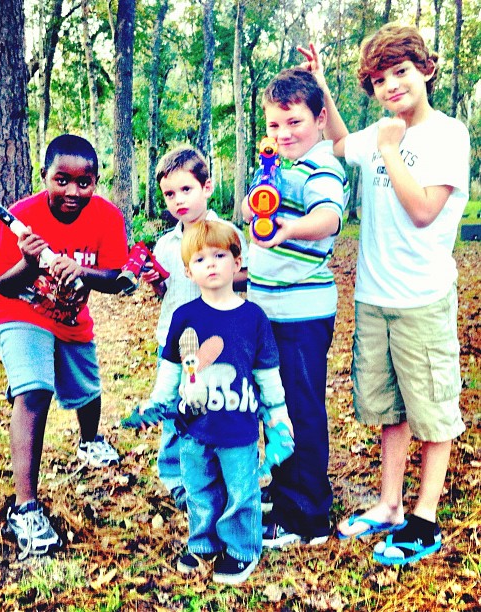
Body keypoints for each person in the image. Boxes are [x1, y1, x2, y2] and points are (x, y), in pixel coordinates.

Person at [299, 23, 470, 565]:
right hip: (373, 297)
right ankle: (391, 504)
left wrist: (392, 147)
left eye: (400, 72)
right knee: (389, 408)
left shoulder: (447, 134)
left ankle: (424, 519)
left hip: (422, 299)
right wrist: (322, 87)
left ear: (425, 69)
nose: (391, 86)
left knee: (432, 411)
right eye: (378, 79)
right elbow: (342, 143)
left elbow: (423, 211)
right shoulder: (377, 132)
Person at [0, 134, 129, 559]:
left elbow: (119, 278)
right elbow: (3, 285)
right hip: (21, 313)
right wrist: (30, 263)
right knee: (34, 389)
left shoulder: (106, 217)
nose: (72, 191)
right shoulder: (20, 217)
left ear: (96, 181)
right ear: (45, 177)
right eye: (61, 180)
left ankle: (89, 440)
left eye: (83, 183)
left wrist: (84, 275)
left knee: (87, 389)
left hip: (71, 318)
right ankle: (25, 508)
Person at [143, 220, 293, 584]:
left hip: (238, 428)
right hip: (194, 428)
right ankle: (204, 543)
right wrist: (158, 402)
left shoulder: (252, 317)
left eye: (219, 255)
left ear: (237, 262)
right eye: (200, 259)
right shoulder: (184, 317)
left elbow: (267, 371)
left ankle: (242, 549)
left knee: (242, 491)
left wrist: (277, 415)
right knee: (200, 488)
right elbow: (170, 368)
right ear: (187, 271)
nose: (210, 264)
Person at [242, 68, 350, 548]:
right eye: (274, 125)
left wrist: (287, 228)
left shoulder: (322, 165)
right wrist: (253, 207)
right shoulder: (278, 166)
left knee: (299, 408)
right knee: (274, 405)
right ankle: (286, 490)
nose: (284, 134)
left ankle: (306, 516)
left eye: (295, 123)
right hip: (266, 307)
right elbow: (251, 210)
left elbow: (329, 217)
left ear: (320, 118)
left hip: (301, 313)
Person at [121, 146, 248, 510]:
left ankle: (221, 476)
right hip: (176, 343)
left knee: (219, 408)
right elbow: (165, 289)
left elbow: (243, 276)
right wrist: (152, 279)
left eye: (186, 190)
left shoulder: (226, 233)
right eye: (170, 194)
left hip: (221, 341)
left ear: (207, 187)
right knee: (175, 409)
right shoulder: (166, 243)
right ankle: (177, 479)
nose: (178, 200)